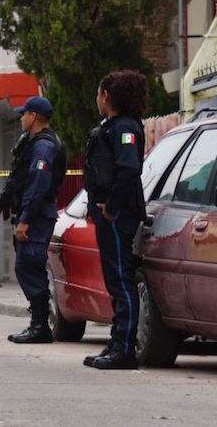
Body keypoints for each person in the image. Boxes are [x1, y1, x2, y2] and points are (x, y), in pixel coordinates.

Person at [83, 70, 147, 370]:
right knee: (114, 280)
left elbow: (129, 170)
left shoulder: (125, 128)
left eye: (98, 93)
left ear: (105, 95)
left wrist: (111, 206)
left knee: (121, 280)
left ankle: (125, 349)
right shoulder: (112, 127)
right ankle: (116, 341)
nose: (96, 99)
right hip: (111, 213)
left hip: (119, 213)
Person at [5, 96, 66, 344]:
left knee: (29, 266)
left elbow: (38, 185)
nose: (21, 118)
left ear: (33, 117)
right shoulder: (38, 144)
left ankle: (40, 326)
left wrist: (26, 219)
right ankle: (38, 323)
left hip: (37, 217)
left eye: (24, 114)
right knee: (27, 266)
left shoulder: (43, 146)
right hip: (36, 214)